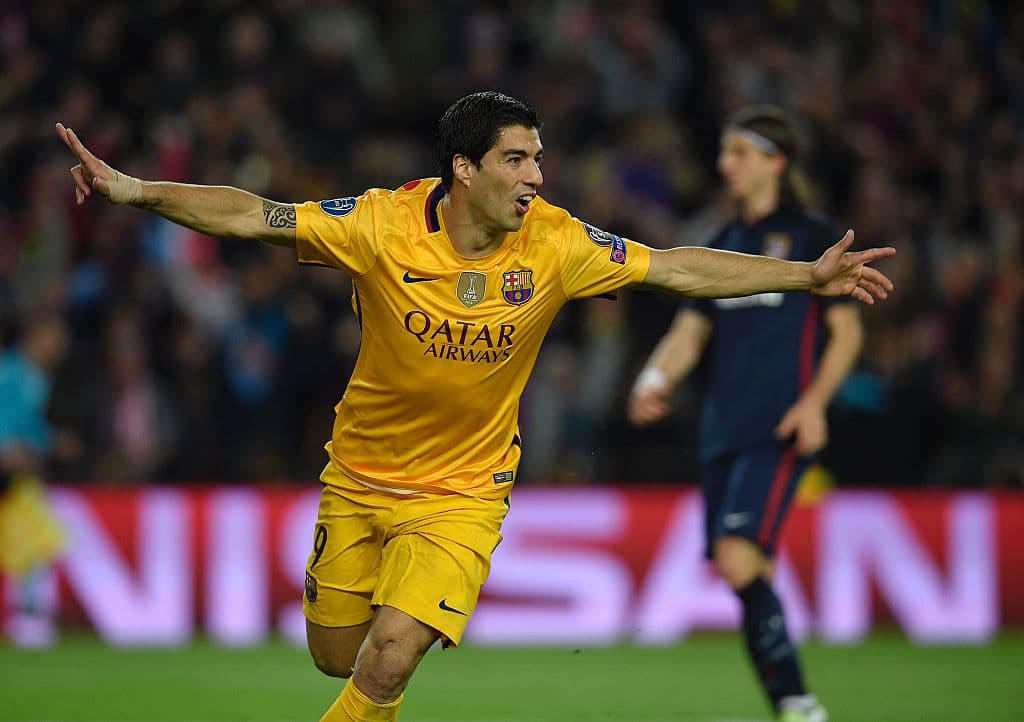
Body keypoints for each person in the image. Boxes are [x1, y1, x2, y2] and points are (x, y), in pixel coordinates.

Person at [57, 92, 893, 722]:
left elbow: (675, 267)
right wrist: (135, 190)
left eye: (539, 159)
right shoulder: (379, 226)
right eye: (517, 160)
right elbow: (252, 215)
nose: (537, 177)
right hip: (359, 477)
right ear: (465, 169)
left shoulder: (558, 242)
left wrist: (802, 276)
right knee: (338, 659)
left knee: (389, 659)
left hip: (464, 492)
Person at [629, 105, 864, 722]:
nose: (724, 163)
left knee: (737, 556)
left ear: (775, 162)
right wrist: (655, 377)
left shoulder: (813, 239)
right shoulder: (723, 243)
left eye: (739, 152)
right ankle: (790, 702)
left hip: (778, 425)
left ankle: (796, 699)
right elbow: (690, 332)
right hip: (721, 430)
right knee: (747, 567)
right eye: (724, 151)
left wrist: (814, 403)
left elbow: (846, 334)